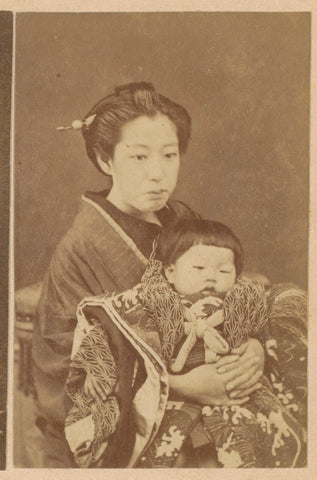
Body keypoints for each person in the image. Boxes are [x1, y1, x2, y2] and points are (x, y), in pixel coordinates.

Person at [32, 82, 265, 468]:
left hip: (203, 376)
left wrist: (251, 347)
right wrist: (182, 386)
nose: (157, 174)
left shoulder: (180, 217)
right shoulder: (83, 246)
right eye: (138, 157)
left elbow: (224, 288)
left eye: (169, 155)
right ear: (105, 160)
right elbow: (72, 371)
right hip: (131, 415)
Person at [65, 218, 307, 468]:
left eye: (224, 271)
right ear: (170, 272)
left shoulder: (240, 305)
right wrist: (99, 368)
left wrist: (256, 347)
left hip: (236, 400)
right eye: (199, 268)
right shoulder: (152, 303)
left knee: (256, 446)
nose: (211, 278)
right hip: (173, 403)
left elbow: (263, 333)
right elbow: (112, 333)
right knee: (176, 457)